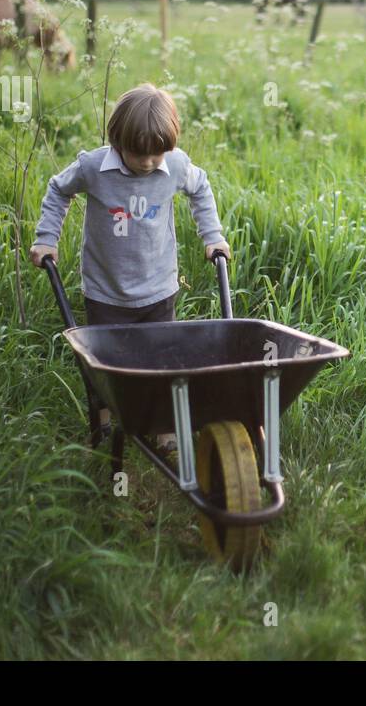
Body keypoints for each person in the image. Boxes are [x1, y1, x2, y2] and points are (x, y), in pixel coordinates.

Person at [28, 82, 231, 451]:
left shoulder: (175, 166)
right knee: (104, 361)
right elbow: (59, 189)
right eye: (140, 154)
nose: (149, 162)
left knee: (161, 360)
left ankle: (163, 424)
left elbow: (201, 189)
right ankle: (104, 417)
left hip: (158, 287)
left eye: (158, 154)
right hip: (106, 289)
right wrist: (46, 238)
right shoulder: (93, 167)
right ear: (117, 139)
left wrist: (212, 236)